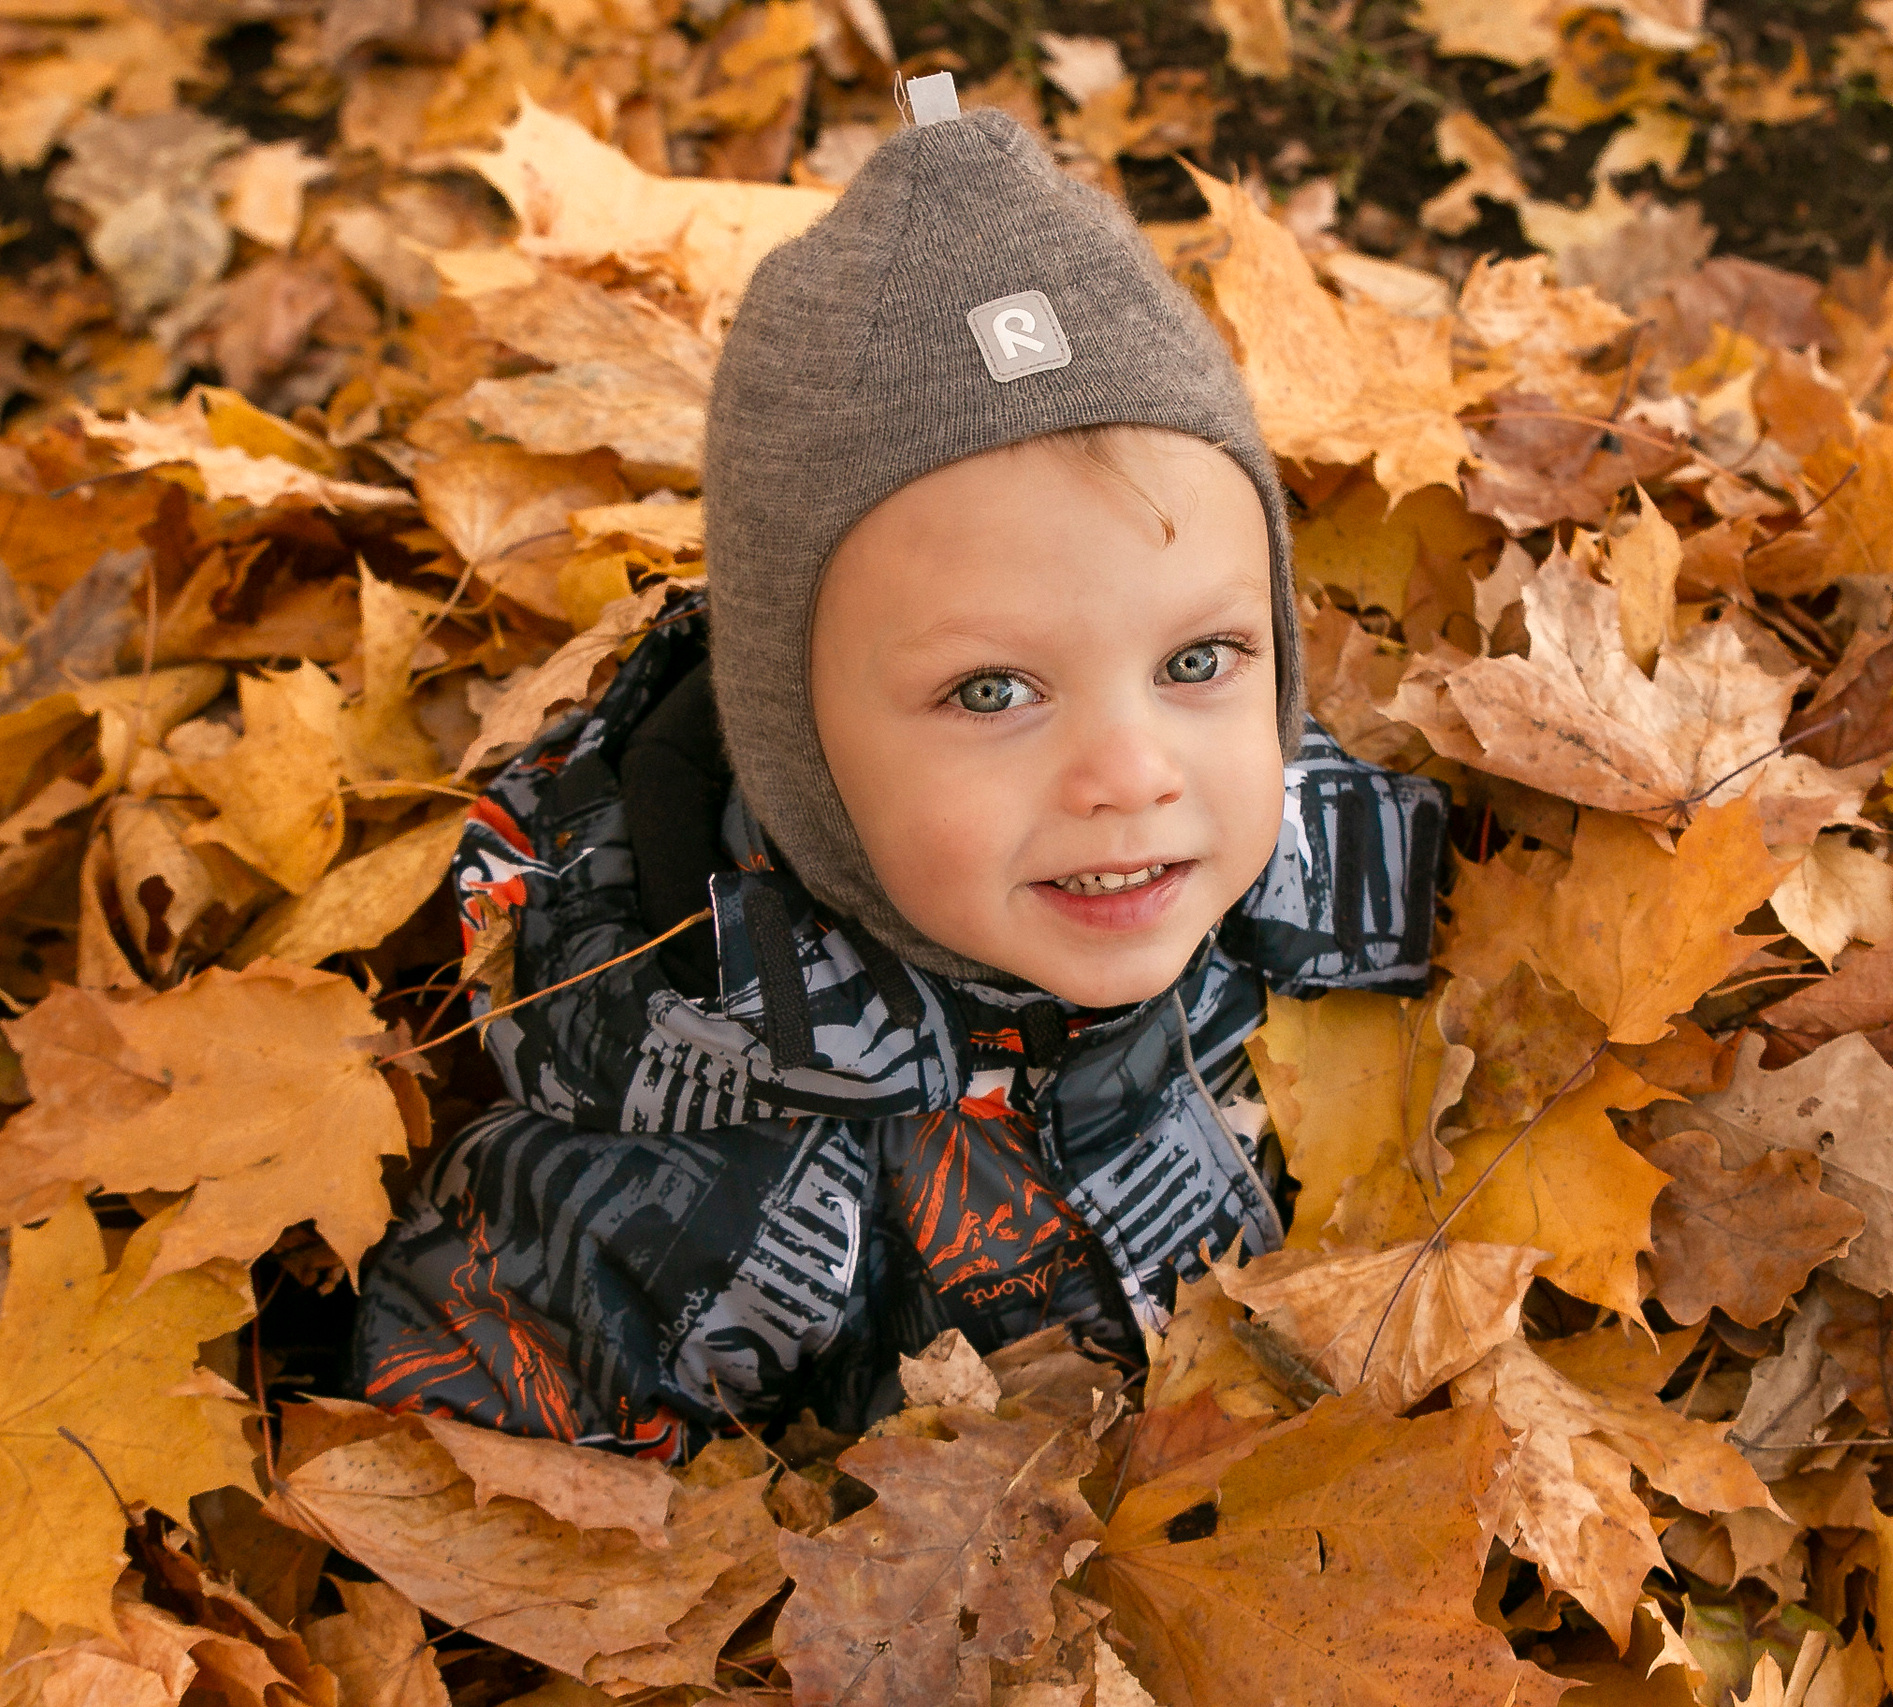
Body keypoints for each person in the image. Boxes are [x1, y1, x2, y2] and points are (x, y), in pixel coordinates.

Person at [351, 93, 1448, 1457]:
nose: (1132, 771)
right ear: (796, 740)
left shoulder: (1325, 871)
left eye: (1199, 660)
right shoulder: (706, 1153)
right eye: (993, 690)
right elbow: (478, 1490)